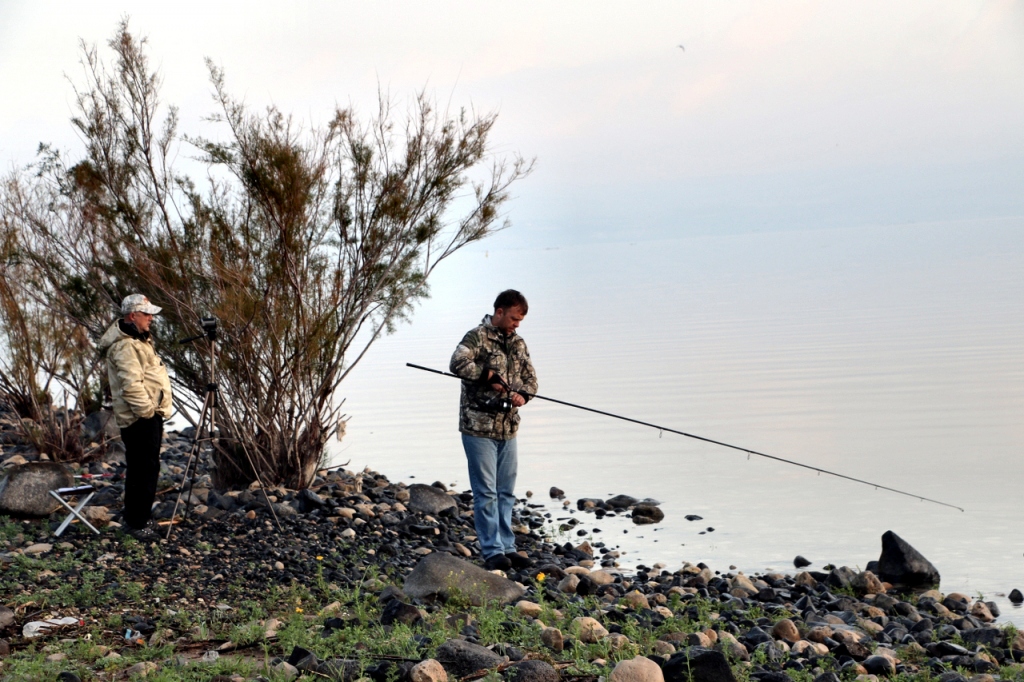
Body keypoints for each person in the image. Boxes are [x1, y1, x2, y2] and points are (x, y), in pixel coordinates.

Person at [450, 290, 538, 571]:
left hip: (508, 429)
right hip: (478, 428)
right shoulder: (476, 336)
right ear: (499, 313)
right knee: (485, 492)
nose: (517, 324)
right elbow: (457, 363)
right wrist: (488, 377)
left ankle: (508, 547)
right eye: (514, 318)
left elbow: (531, 380)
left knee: (506, 491)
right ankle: (491, 550)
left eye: (520, 320)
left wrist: (522, 395)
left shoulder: (519, 343)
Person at [98, 294, 174, 541]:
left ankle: (136, 517)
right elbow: (131, 385)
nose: (151, 318)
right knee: (145, 469)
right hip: (140, 418)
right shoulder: (127, 346)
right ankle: (137, 523)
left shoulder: (136, 341)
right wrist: (148, 412)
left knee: (143, 467)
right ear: (133, 315)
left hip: (143, 417)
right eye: (147, 313)